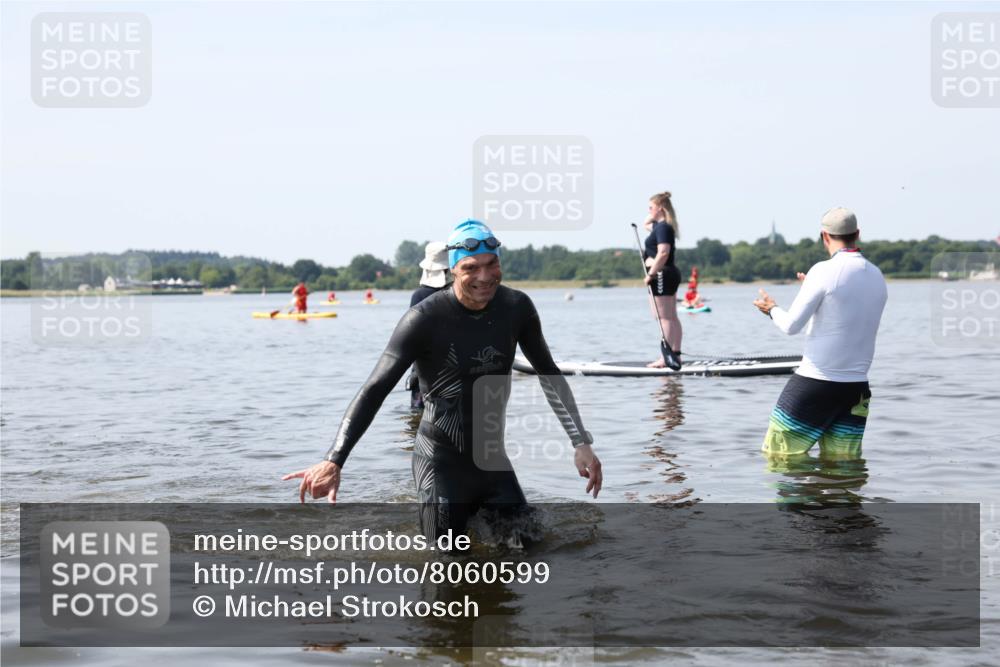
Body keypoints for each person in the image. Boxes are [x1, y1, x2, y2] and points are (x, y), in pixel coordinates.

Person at [283, 220, 603, 540]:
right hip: (439, 466)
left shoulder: (516, 308)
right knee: (448, 566)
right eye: (471, 268)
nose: (484, 276)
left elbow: (548, 374)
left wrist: (581, 442)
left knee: (532, 550)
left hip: (493, 465)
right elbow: (375, 389)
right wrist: (334, 460)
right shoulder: (424, 319)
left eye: (492, 265)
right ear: (452, 270)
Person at [752, 207, 887, 460]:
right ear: (857, 234)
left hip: (815, 385)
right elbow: (847, 310)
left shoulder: (822, 271)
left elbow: (791, 325)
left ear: (824, 236)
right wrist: (812, 287)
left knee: (779, 459)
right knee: (844, 469)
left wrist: (772, 309)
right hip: (856, 390)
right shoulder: (877, 275)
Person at [407, 241, 451, 410]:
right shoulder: (453, 294)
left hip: (423, 367)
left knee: (419, 414)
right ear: (447, 269)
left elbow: (412, 334)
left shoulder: (419, 296)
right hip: (450, 367)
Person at [642, 191, 683, 368]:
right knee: (671, 317)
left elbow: (664, 252)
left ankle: (666, 358)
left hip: (661, 275)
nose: (648, 210)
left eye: (651, 207)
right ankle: (674, 355)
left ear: (660, 208)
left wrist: (651, 273)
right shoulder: (660, 227)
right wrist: (651, 215)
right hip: (666, 274)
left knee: (664, 318)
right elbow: (646, 225)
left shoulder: (663, 228)